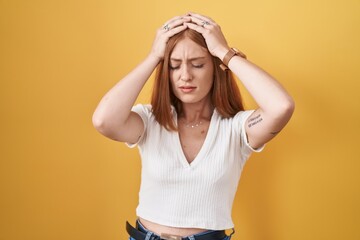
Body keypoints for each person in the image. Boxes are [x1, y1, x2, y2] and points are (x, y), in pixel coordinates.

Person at [92, 12, 295, 240]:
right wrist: (153, 57)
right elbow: (103, 120)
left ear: (215, 68)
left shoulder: (236, 129)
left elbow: (281, 106)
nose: (185, 76)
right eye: (174, 66)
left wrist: (224, 53)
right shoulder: (150, 121)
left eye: (197, 65)